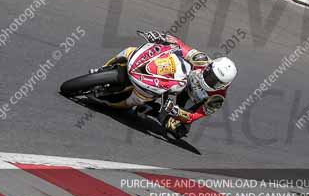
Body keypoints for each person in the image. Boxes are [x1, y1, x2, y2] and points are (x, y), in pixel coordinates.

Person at [99, 30, 236, 137]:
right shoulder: (202, 60)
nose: (210, 80)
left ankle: (153, 109)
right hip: (182, 76)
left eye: (216, 82)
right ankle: (104, 69)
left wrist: (178, 112)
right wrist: (161, 37)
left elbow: (195, 116)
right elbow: (180, 46)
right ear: (209, 67)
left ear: (223, 85)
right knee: (135, 51)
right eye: (210, 74)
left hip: (188, 97)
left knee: (179, 130)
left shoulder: (217, 99)